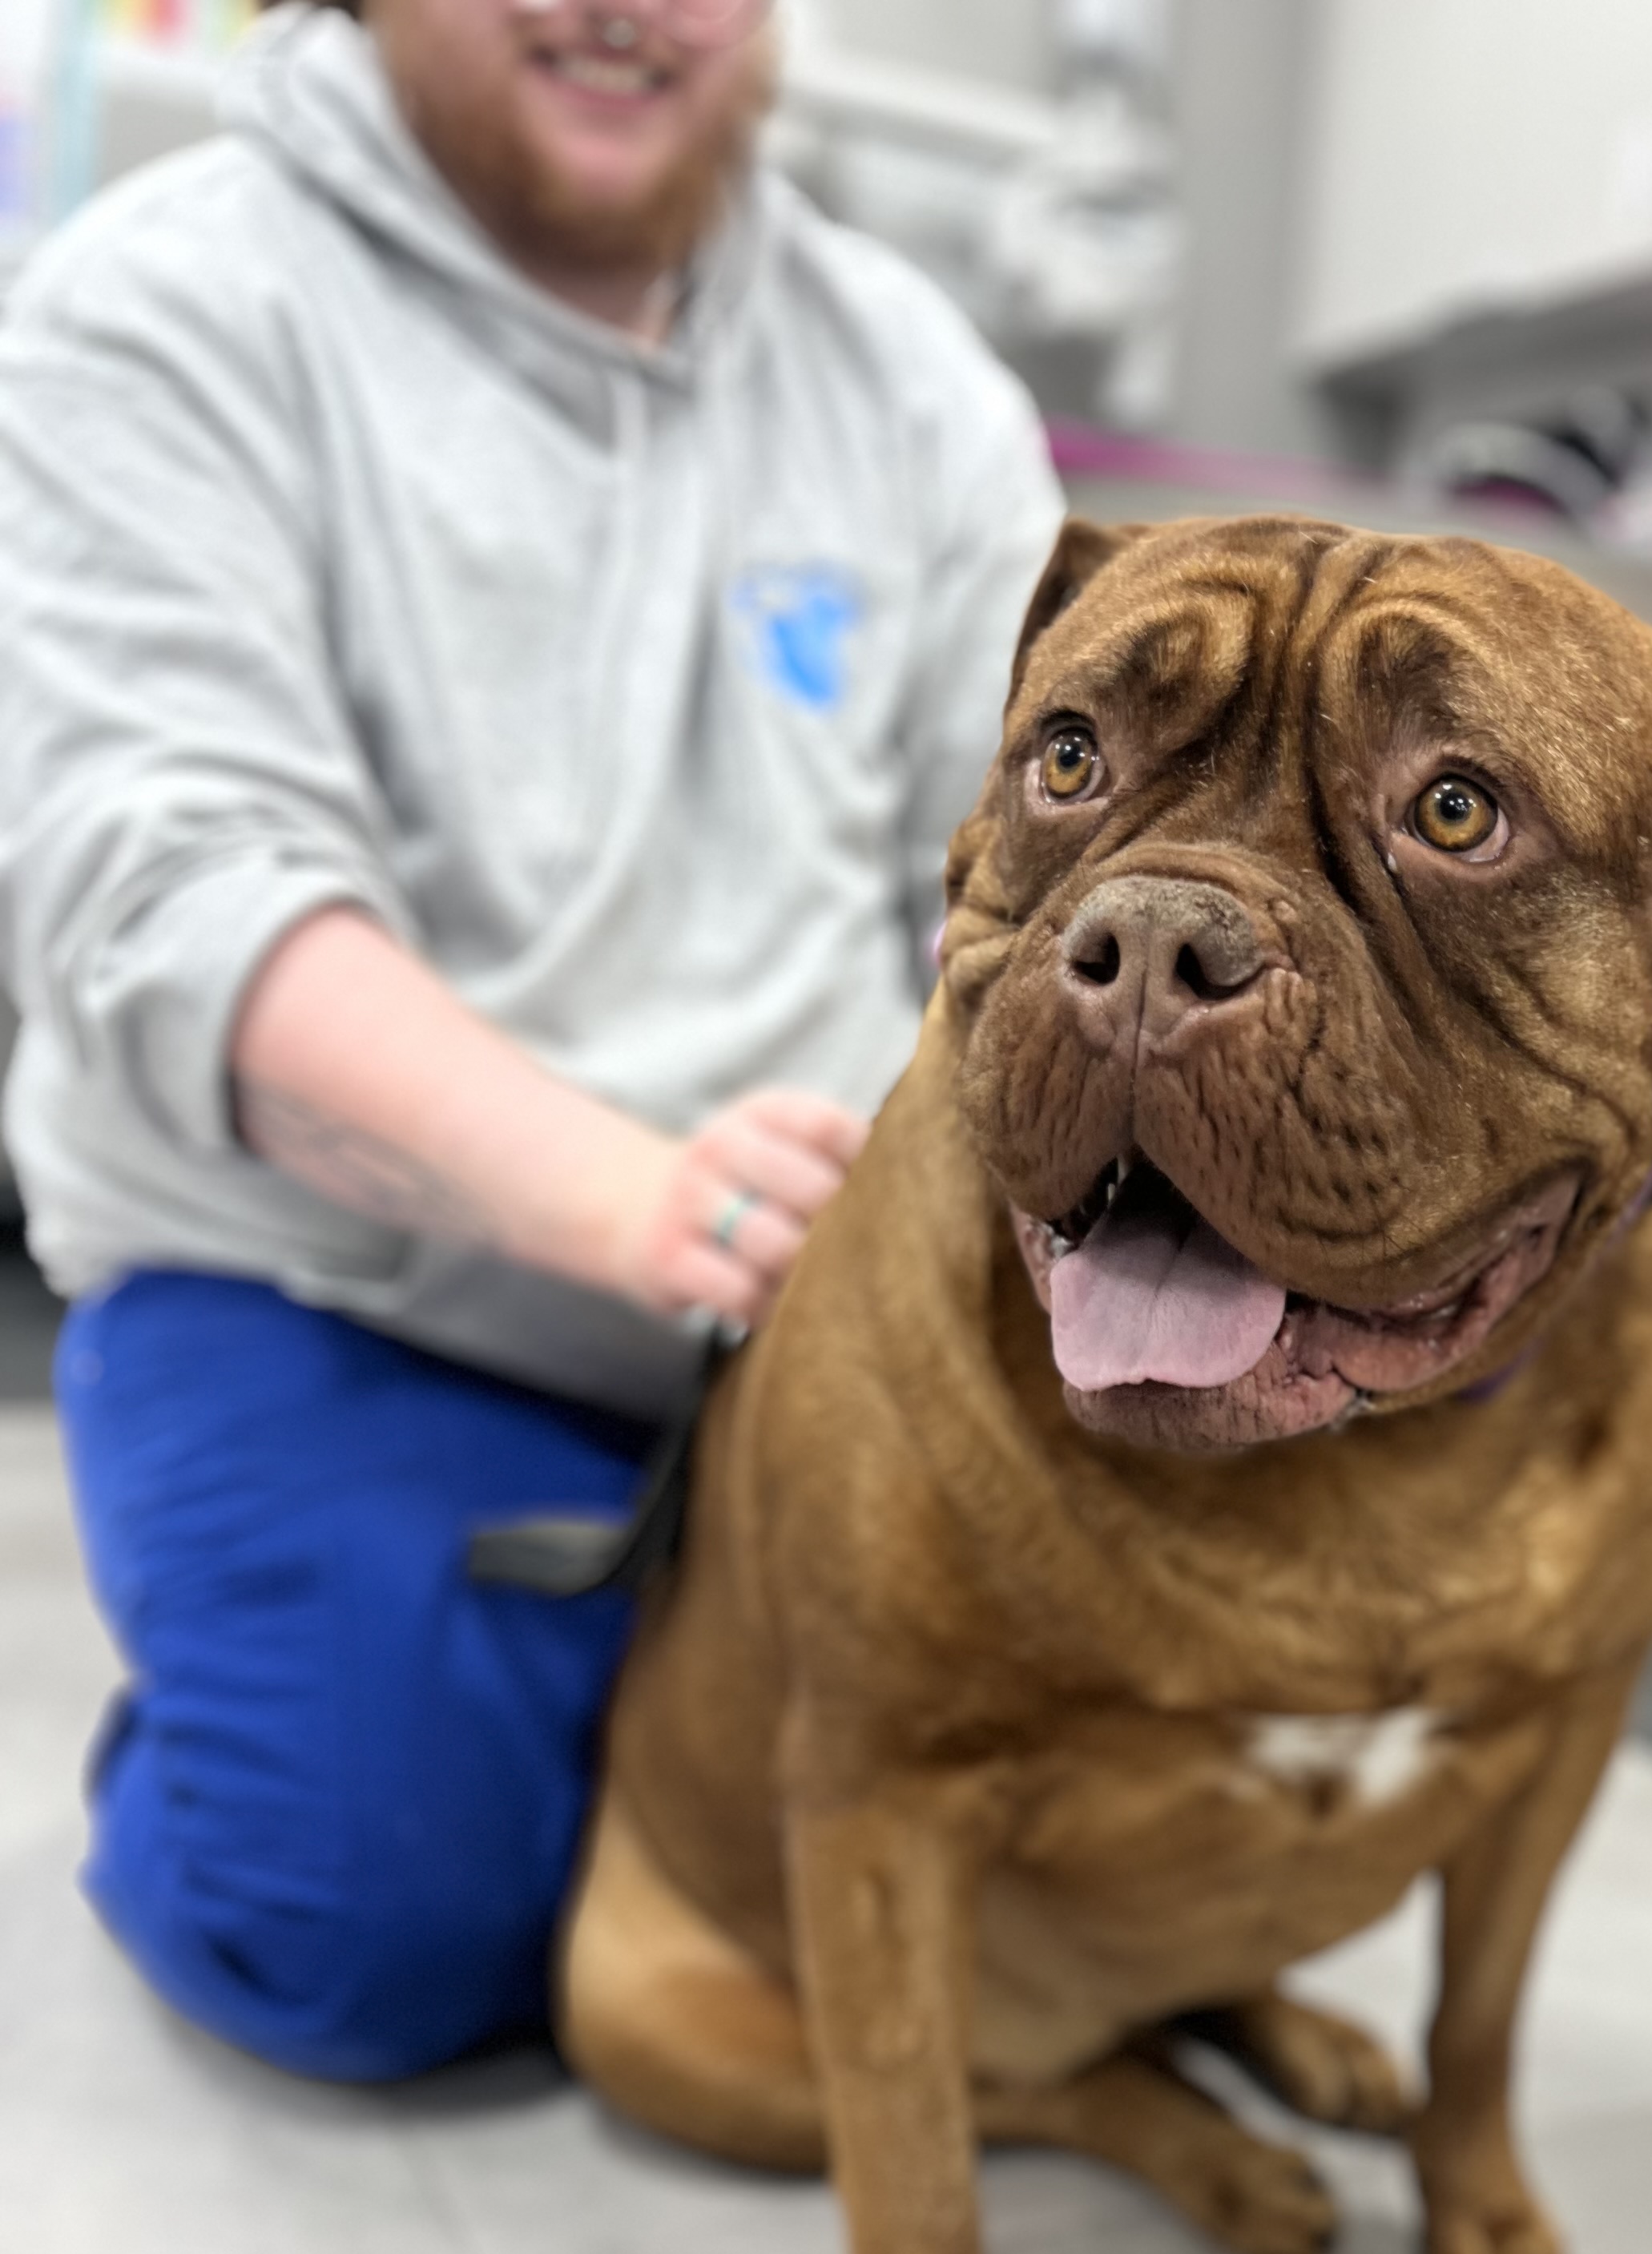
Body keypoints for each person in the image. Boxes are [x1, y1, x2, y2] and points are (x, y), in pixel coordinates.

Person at [0, 0, 1062, 2081]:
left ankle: (619, 1679)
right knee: (372, 1917)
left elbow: (1018, 857)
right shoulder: (162, 307)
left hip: (817, 1298)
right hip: (338, 1296)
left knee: (1096, 1804)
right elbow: (173, 893)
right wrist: (635, 1202)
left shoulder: (908, 376)